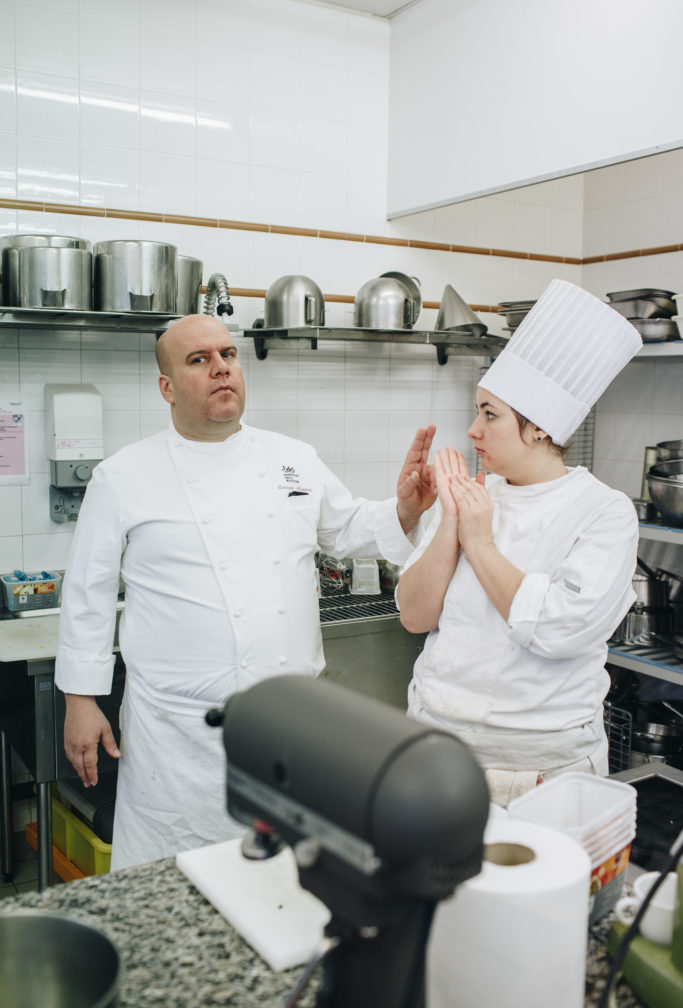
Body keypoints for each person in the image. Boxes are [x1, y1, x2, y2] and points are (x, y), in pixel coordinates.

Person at [55, 313, 437, 869]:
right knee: (173, 882)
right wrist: (80, 700)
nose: (220, 369)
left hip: (290, 724)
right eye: (199, 360)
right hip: (179, 738)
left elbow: (348, 528)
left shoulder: (292, 458)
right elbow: (86, 595)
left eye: (228, 355)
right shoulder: (123, 477)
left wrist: (403, 508)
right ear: (167, 388)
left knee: (284, 874)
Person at [396, 278, 643, 807]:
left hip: (543, 769)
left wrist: (479, 542)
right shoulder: (474, 493)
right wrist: (450, 523)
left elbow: (557, 629)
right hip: (437, 747)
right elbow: (415, 616)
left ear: (539, 428)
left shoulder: (603, 512)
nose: (473, 430)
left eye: (490, 414)